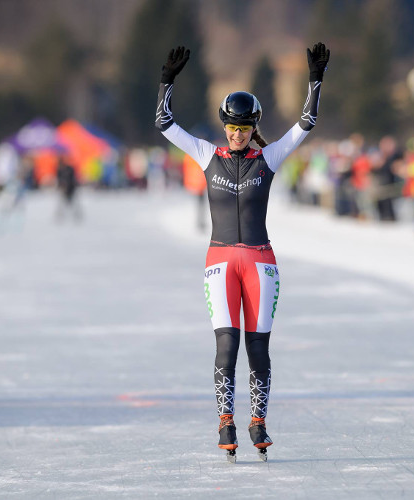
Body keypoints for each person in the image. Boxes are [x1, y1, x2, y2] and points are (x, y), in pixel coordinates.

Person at [155, 43, 329, 461]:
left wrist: (315, 79)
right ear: (224, 127)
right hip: (219, 262)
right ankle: (226, 421)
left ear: (253, 128)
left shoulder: (268, 158)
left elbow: (306, 122)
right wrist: (167, 80)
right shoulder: (205, 154)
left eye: (244, 128)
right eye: (232, 128)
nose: (237, 134)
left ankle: (258, 422)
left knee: (259, 349)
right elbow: (163, 123)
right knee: (226, 347)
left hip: (259, 262)